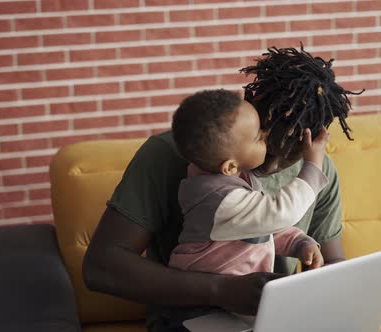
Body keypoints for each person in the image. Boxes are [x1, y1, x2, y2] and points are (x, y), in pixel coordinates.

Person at [83, 45, 365, 331]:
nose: (271, 163)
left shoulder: (317, 168)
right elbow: (101, 268)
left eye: (290, 153)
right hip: (191, 320)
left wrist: (311, 265)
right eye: (265, 141)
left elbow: (331, 261)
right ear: (251, 101)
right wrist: (222, 290)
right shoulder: (172, 155)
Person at [168, 89, 329, 276]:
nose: (267, 135)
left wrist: (299, 243)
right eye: (259, 137)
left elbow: (259, 228)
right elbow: (279, 212)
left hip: (235, 296)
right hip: (205, 300)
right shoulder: (220, 200)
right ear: (230, 167)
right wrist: (313, 164)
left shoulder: (227, 178)